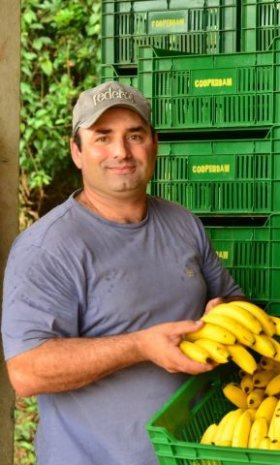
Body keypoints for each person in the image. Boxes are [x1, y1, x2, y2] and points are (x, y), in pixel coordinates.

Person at [1, 81, 244, 465]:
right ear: (76, 152)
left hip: (194, 452)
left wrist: (224, 313)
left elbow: (231, 299)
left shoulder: (182, 223)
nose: (121, 152)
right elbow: (28, 371)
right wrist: (139, 347)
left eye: (135, 135)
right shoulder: (47, 247)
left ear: (155, 144)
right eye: (102, 137)